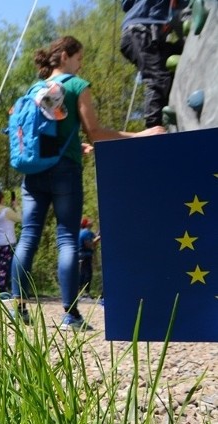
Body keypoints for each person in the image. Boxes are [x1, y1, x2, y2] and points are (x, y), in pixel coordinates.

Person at [10, 36, 165, 330]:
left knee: (28, 236)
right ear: (66, 56)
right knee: (67, 237)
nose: (81, 65)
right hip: (64, 172)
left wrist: (73, 144)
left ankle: (18, 308)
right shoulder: (77, 86)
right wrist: (140, 136)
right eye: (79, 59)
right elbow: (95, 131)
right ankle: (70, 315)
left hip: (32, 172)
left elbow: (40, 134)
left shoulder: (34, 89)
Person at [120, 0, 188, 128]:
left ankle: (169, 119)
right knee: (158, 78)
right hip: (141, 32)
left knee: (181, 56)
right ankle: (153, 129)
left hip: (137, 32)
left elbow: (126, 4)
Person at [0, 189, 21, 294]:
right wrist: (16, 206)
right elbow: (20, 218)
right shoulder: (7, 211)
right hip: (6, 242)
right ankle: (2, 289)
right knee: (4, 267)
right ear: (2, 198)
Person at [79, 217, 100, 297]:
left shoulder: (86, 232)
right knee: (87, 273)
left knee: (83, 273)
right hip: (85, 255)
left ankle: (81, 291)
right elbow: (89, 244)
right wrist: (97, 239)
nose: (91, 221)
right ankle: (85, 292)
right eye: (89, 221)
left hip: (82, 255)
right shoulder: (86, 233)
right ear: (87, 224)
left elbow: (95, 235)